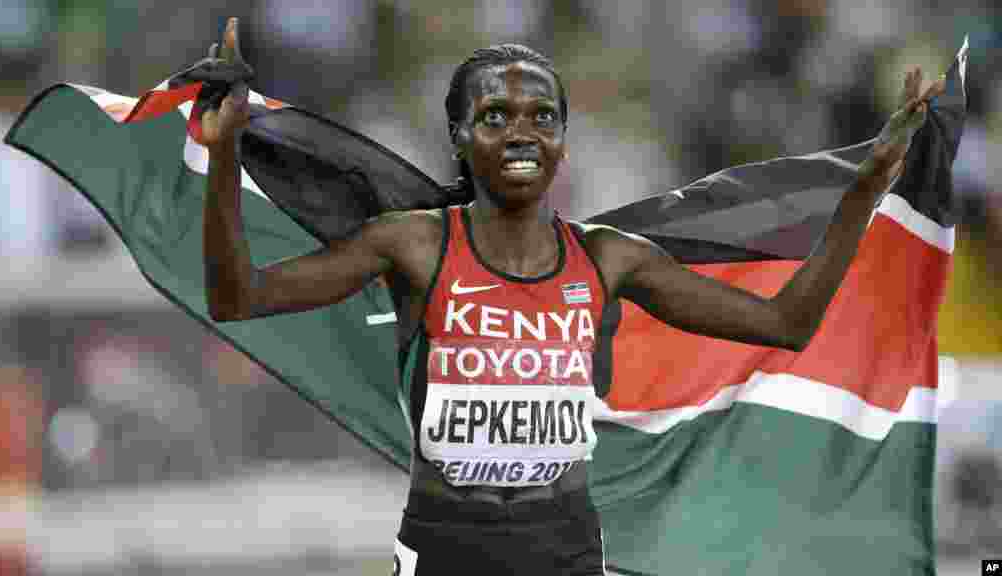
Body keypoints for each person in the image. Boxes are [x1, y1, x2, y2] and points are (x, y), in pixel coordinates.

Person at [200, 16, 945, 576]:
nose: (522, 133)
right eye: (496, 117)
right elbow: (238, 298)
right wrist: (228, 152)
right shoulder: (414, 243)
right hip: (446, 550)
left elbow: (786, 324)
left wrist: (864, 195)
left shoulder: (609, 258)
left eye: (542, 118)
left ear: (562, 139)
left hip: (566, 554)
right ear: (460, 136)